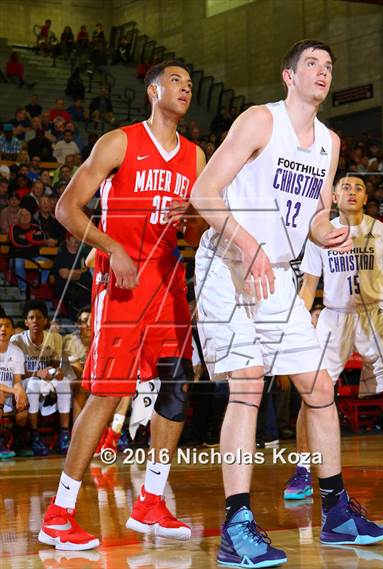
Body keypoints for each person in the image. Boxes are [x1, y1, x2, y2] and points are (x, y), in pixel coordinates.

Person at [190, 39, 383, 567]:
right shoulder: (260, 121)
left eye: (329, 66)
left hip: (277, 272)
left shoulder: (329, 141)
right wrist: (247, 243)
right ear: (288, 76)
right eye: (312, 63)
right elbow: (205, 191)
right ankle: (236, 524)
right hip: (227, 263)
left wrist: (326, 234)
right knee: (248, 383)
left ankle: (338, 513)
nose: (322, 71)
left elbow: (314, 215)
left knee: (319, 385)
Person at [38, 59, 206, 550]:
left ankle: (151, 503)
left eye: (190, 84)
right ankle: (59, 514)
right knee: (109, 393)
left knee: (176, 389)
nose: (186, 89)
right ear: (153, 91)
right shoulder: (120, 142)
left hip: (169, 282)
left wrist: (190, 217)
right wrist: (111, 247)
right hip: (123, 283)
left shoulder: (195, 157)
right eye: (176, 81)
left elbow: (197, 226)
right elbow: (66, 208)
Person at [286, 175, 383, 499]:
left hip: (377, 314)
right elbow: (307, 287)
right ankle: (303, 469)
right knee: (313, 394)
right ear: (334, 197)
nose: (352, 191)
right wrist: (298, 326)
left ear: (364, 198)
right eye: (345, 187)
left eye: (359, 188)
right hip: (334, 316)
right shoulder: (321, 234)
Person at [11, 300, 70, 456]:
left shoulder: (56, 338)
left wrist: (57, 372)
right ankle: (35, 436)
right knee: (34, 384)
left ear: (45, 320)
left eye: (39, 317)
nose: (35, 321)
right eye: (31, 318)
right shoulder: (16, 340)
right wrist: (38, 373)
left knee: (63, 383)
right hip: (25, 382)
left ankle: (65, 434)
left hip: (45, 380)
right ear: (26, 322)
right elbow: (16, 374)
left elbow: (56, 365)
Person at [0, 314, 28, 460]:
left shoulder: (16, 352)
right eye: (0, 326)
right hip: (2, 394)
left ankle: (17, 442)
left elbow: (17, 379)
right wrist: (14, 390)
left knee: (23, 410)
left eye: (7, 326)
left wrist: (20, 391)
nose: (3, 329)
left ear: (12, 330)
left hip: (8, 393)